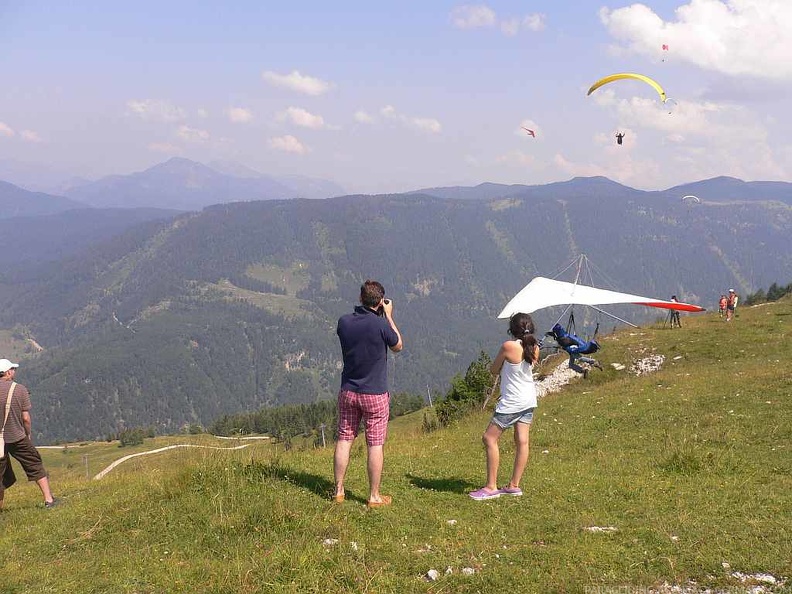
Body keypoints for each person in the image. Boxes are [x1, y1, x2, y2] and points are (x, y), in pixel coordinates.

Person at [333, 280, 403, 508]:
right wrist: (389, 315)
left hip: (349, 391)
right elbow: (398, 346)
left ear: (360, 298)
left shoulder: (343, 322)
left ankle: (338, 491)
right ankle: (374, 496)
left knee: (344, 439)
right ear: (381, 302)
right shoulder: (381, 325)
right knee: (375, 444)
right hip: (375, 394)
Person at [469, 313, 539, 501]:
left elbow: (493, 369)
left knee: (489, 438)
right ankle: (513, 486)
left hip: (512, 402)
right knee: (522, 441)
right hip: (529, 400)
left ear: (512, 329)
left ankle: (491, 487)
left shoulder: (509, 346)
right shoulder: (534, 347)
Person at [0, 359, 58, 510]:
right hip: (17, 437)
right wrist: (28, 434)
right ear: (8, 372)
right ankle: (49, 500)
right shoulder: (19, 389)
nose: (14, 371)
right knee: (34, 463)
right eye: (13, 369)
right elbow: (25, 418)